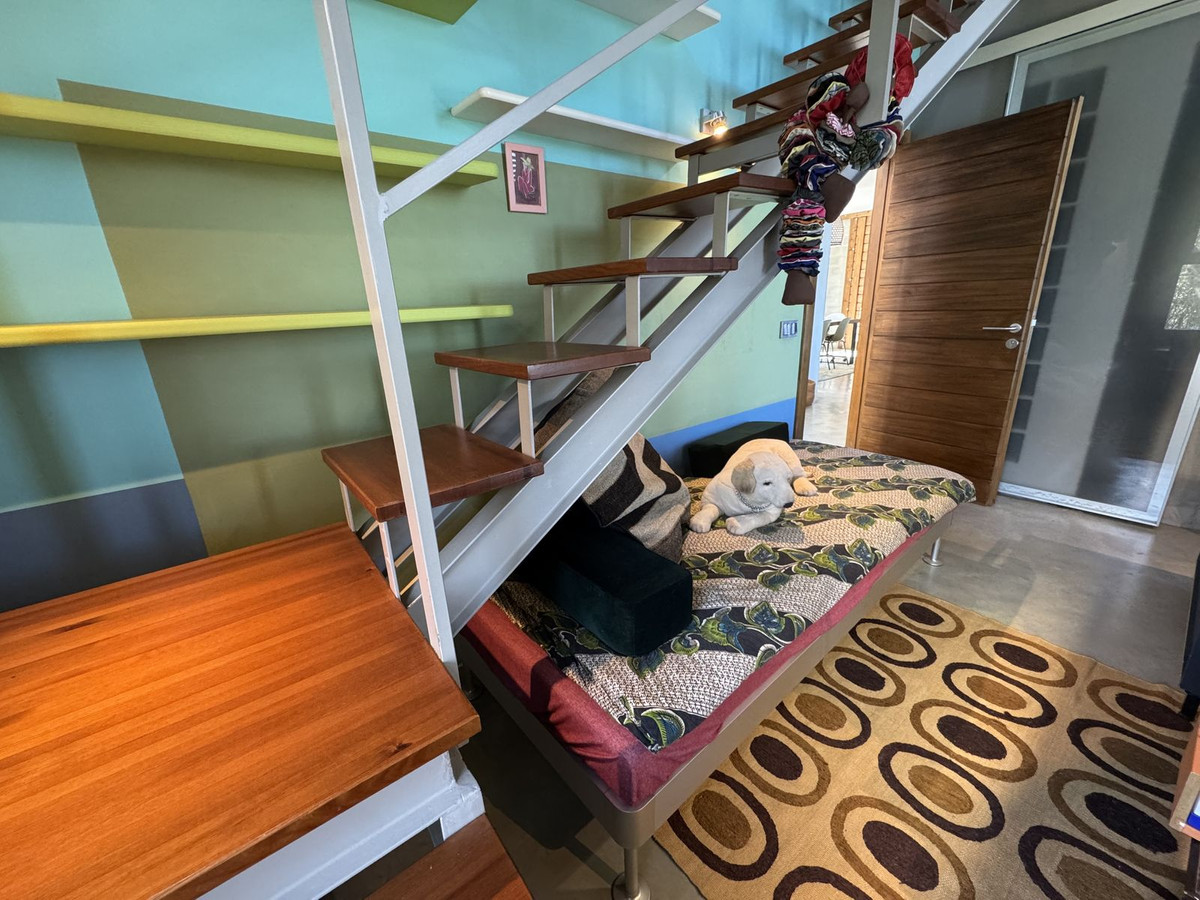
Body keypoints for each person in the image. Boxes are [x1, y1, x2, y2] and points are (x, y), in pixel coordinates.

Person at [778, 34, 915, 305]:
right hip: (809, 138)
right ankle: (798, 271)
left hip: (833, 154)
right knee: (805, 163)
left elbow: (892, 129)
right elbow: (816, 105)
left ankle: (799, 271)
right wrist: (847, 101)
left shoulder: (887, 107)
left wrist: (880, 138)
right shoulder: (835, 88)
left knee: (809, 195)